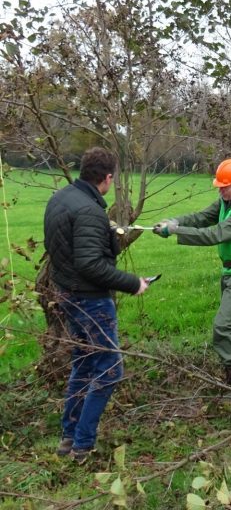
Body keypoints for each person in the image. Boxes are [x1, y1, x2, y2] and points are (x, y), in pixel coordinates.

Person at [43, 147, 150, 463]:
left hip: (67, 296)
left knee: (84, 362)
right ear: (107, 178)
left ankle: (68, 438)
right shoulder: (89, 210)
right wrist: (133, 283)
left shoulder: (60, 199)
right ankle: (82, 446)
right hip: (90, 301)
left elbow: (64, 248)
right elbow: (90, 264)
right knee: (110, 369)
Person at [153, 158, 231, 394]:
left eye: (224, 186)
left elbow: (215, 234)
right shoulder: (228, 200)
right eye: (219, 186)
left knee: (223, 326)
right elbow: (202, 217)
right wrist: (175, 221)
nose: (220, 190)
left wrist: (176, 232)